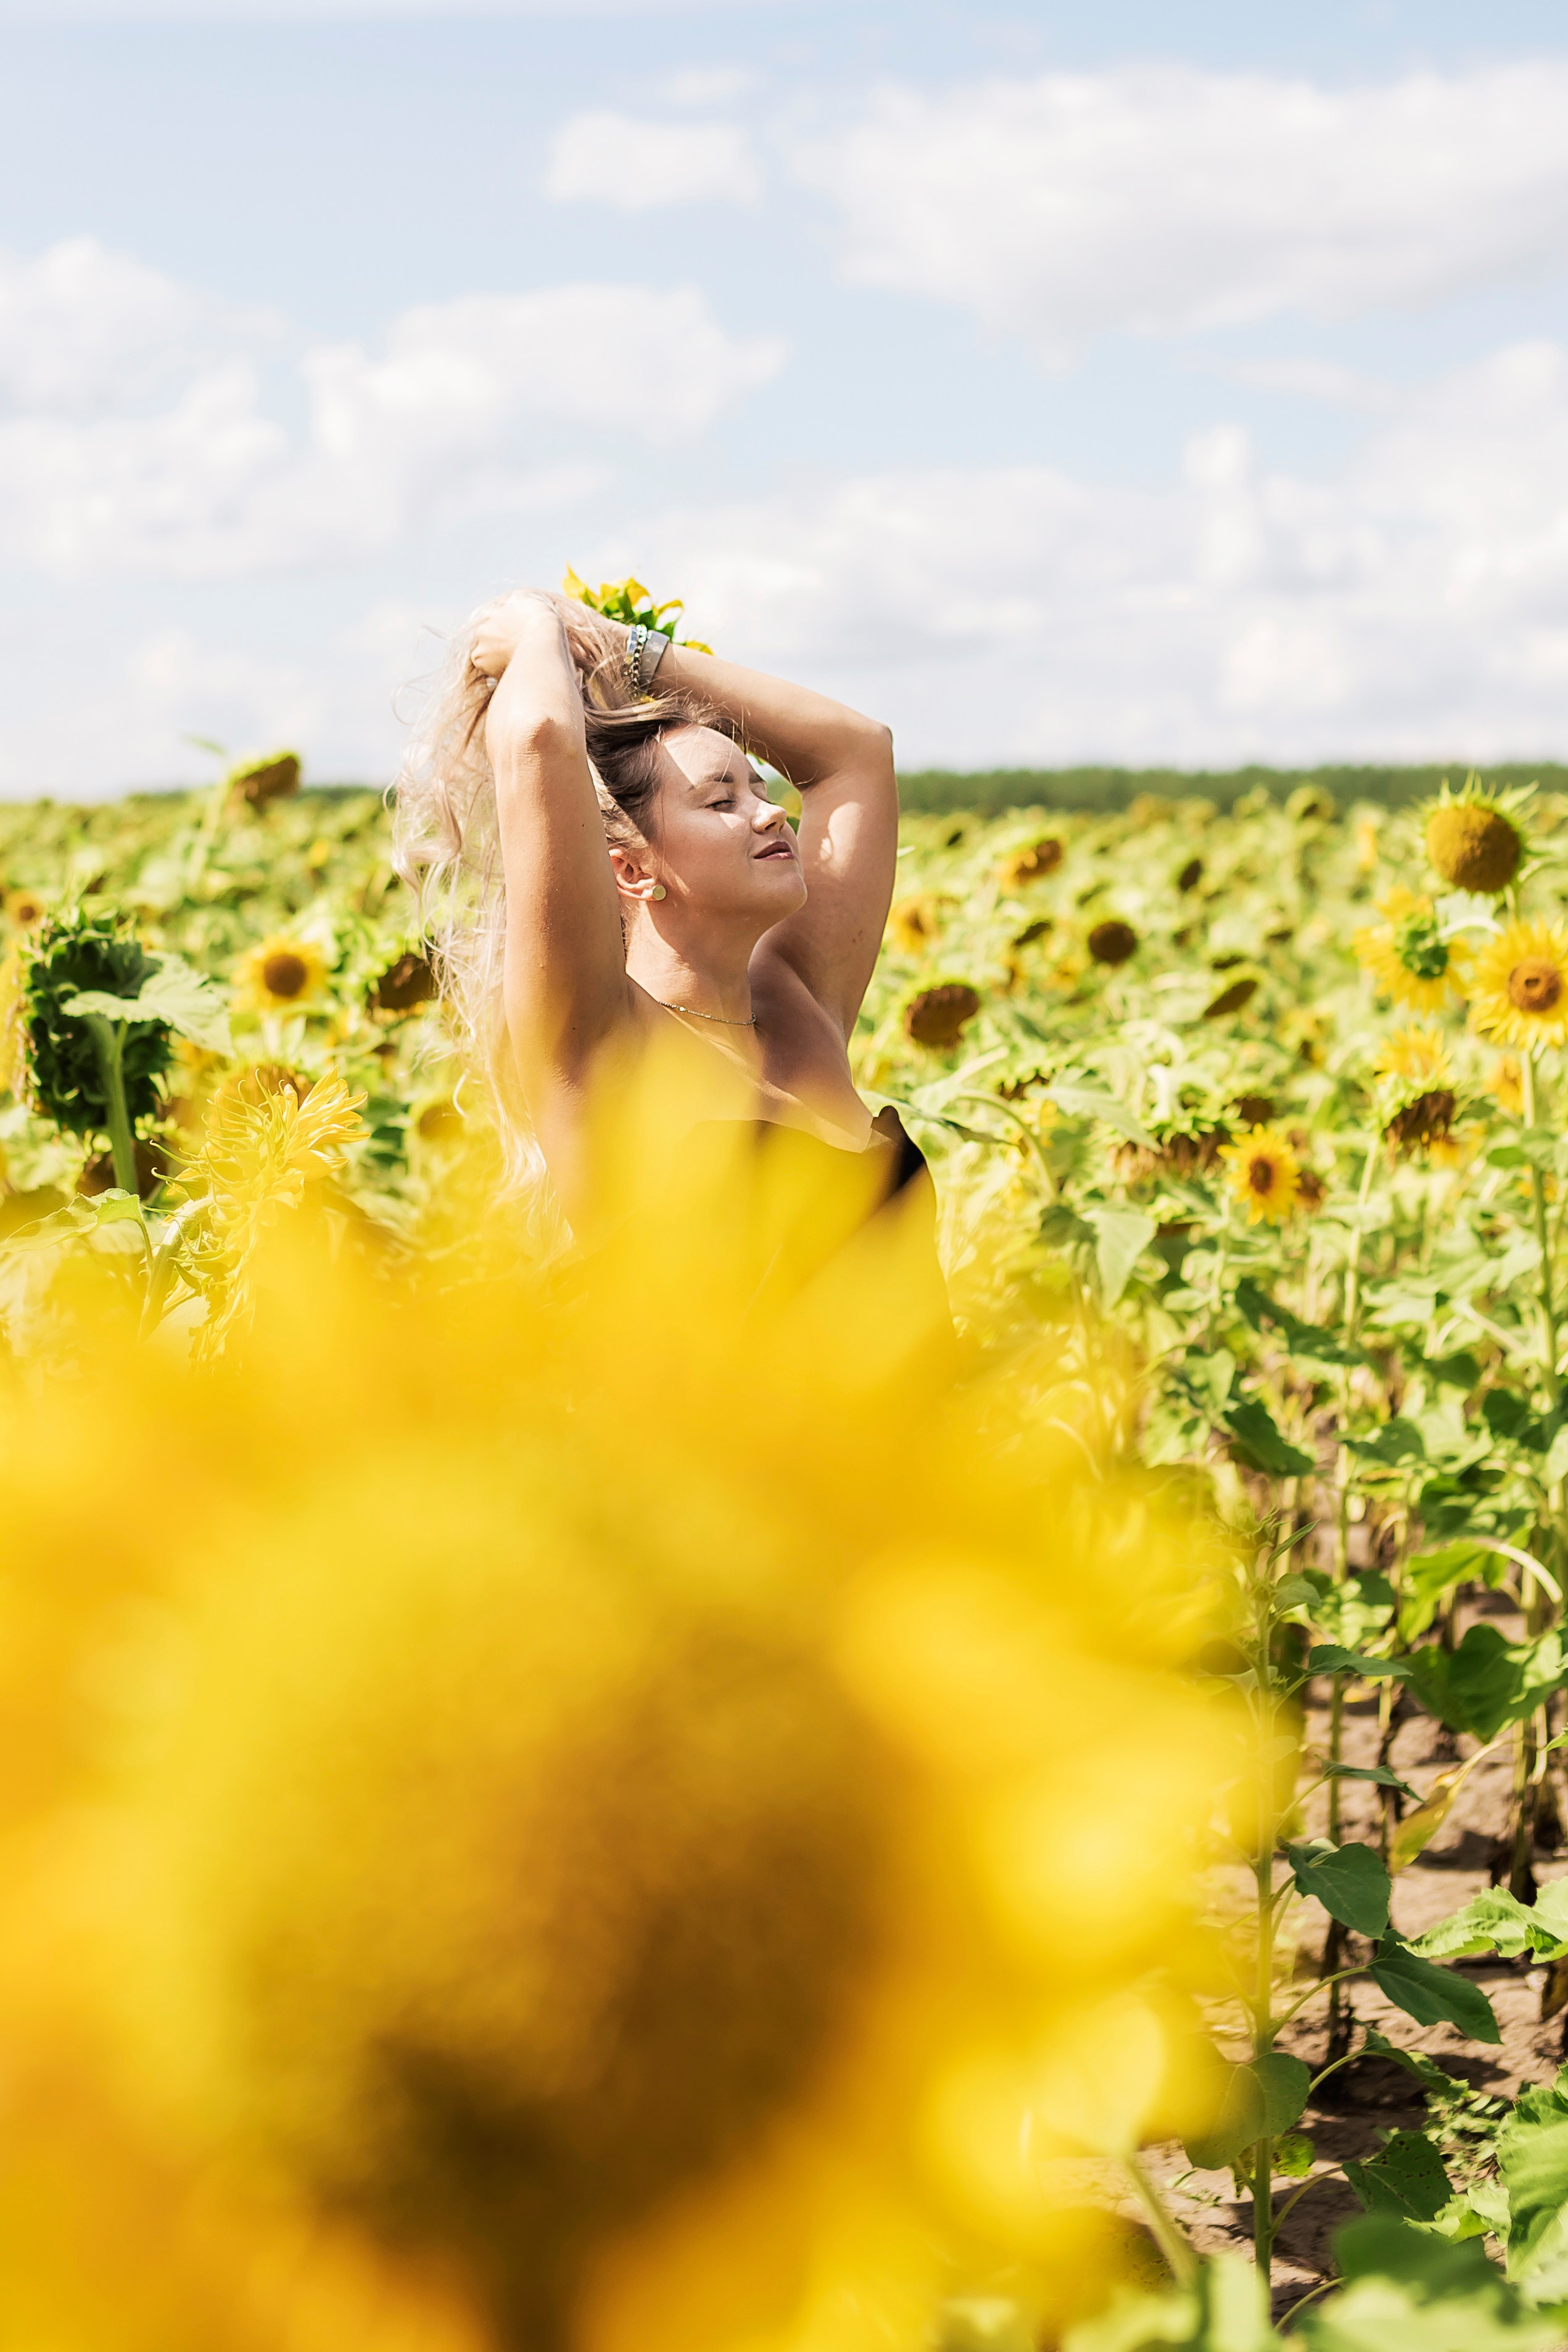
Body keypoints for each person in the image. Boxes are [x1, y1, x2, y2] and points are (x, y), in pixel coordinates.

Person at [394, 588, 939, 1278]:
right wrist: (536, 626)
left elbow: (859, 752)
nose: (771, 815)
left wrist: (623, 649)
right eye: (721, 800)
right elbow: (542, 736)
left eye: (762, 790)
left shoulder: (797, 1002)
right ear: (629, 869)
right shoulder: (601, 1037)